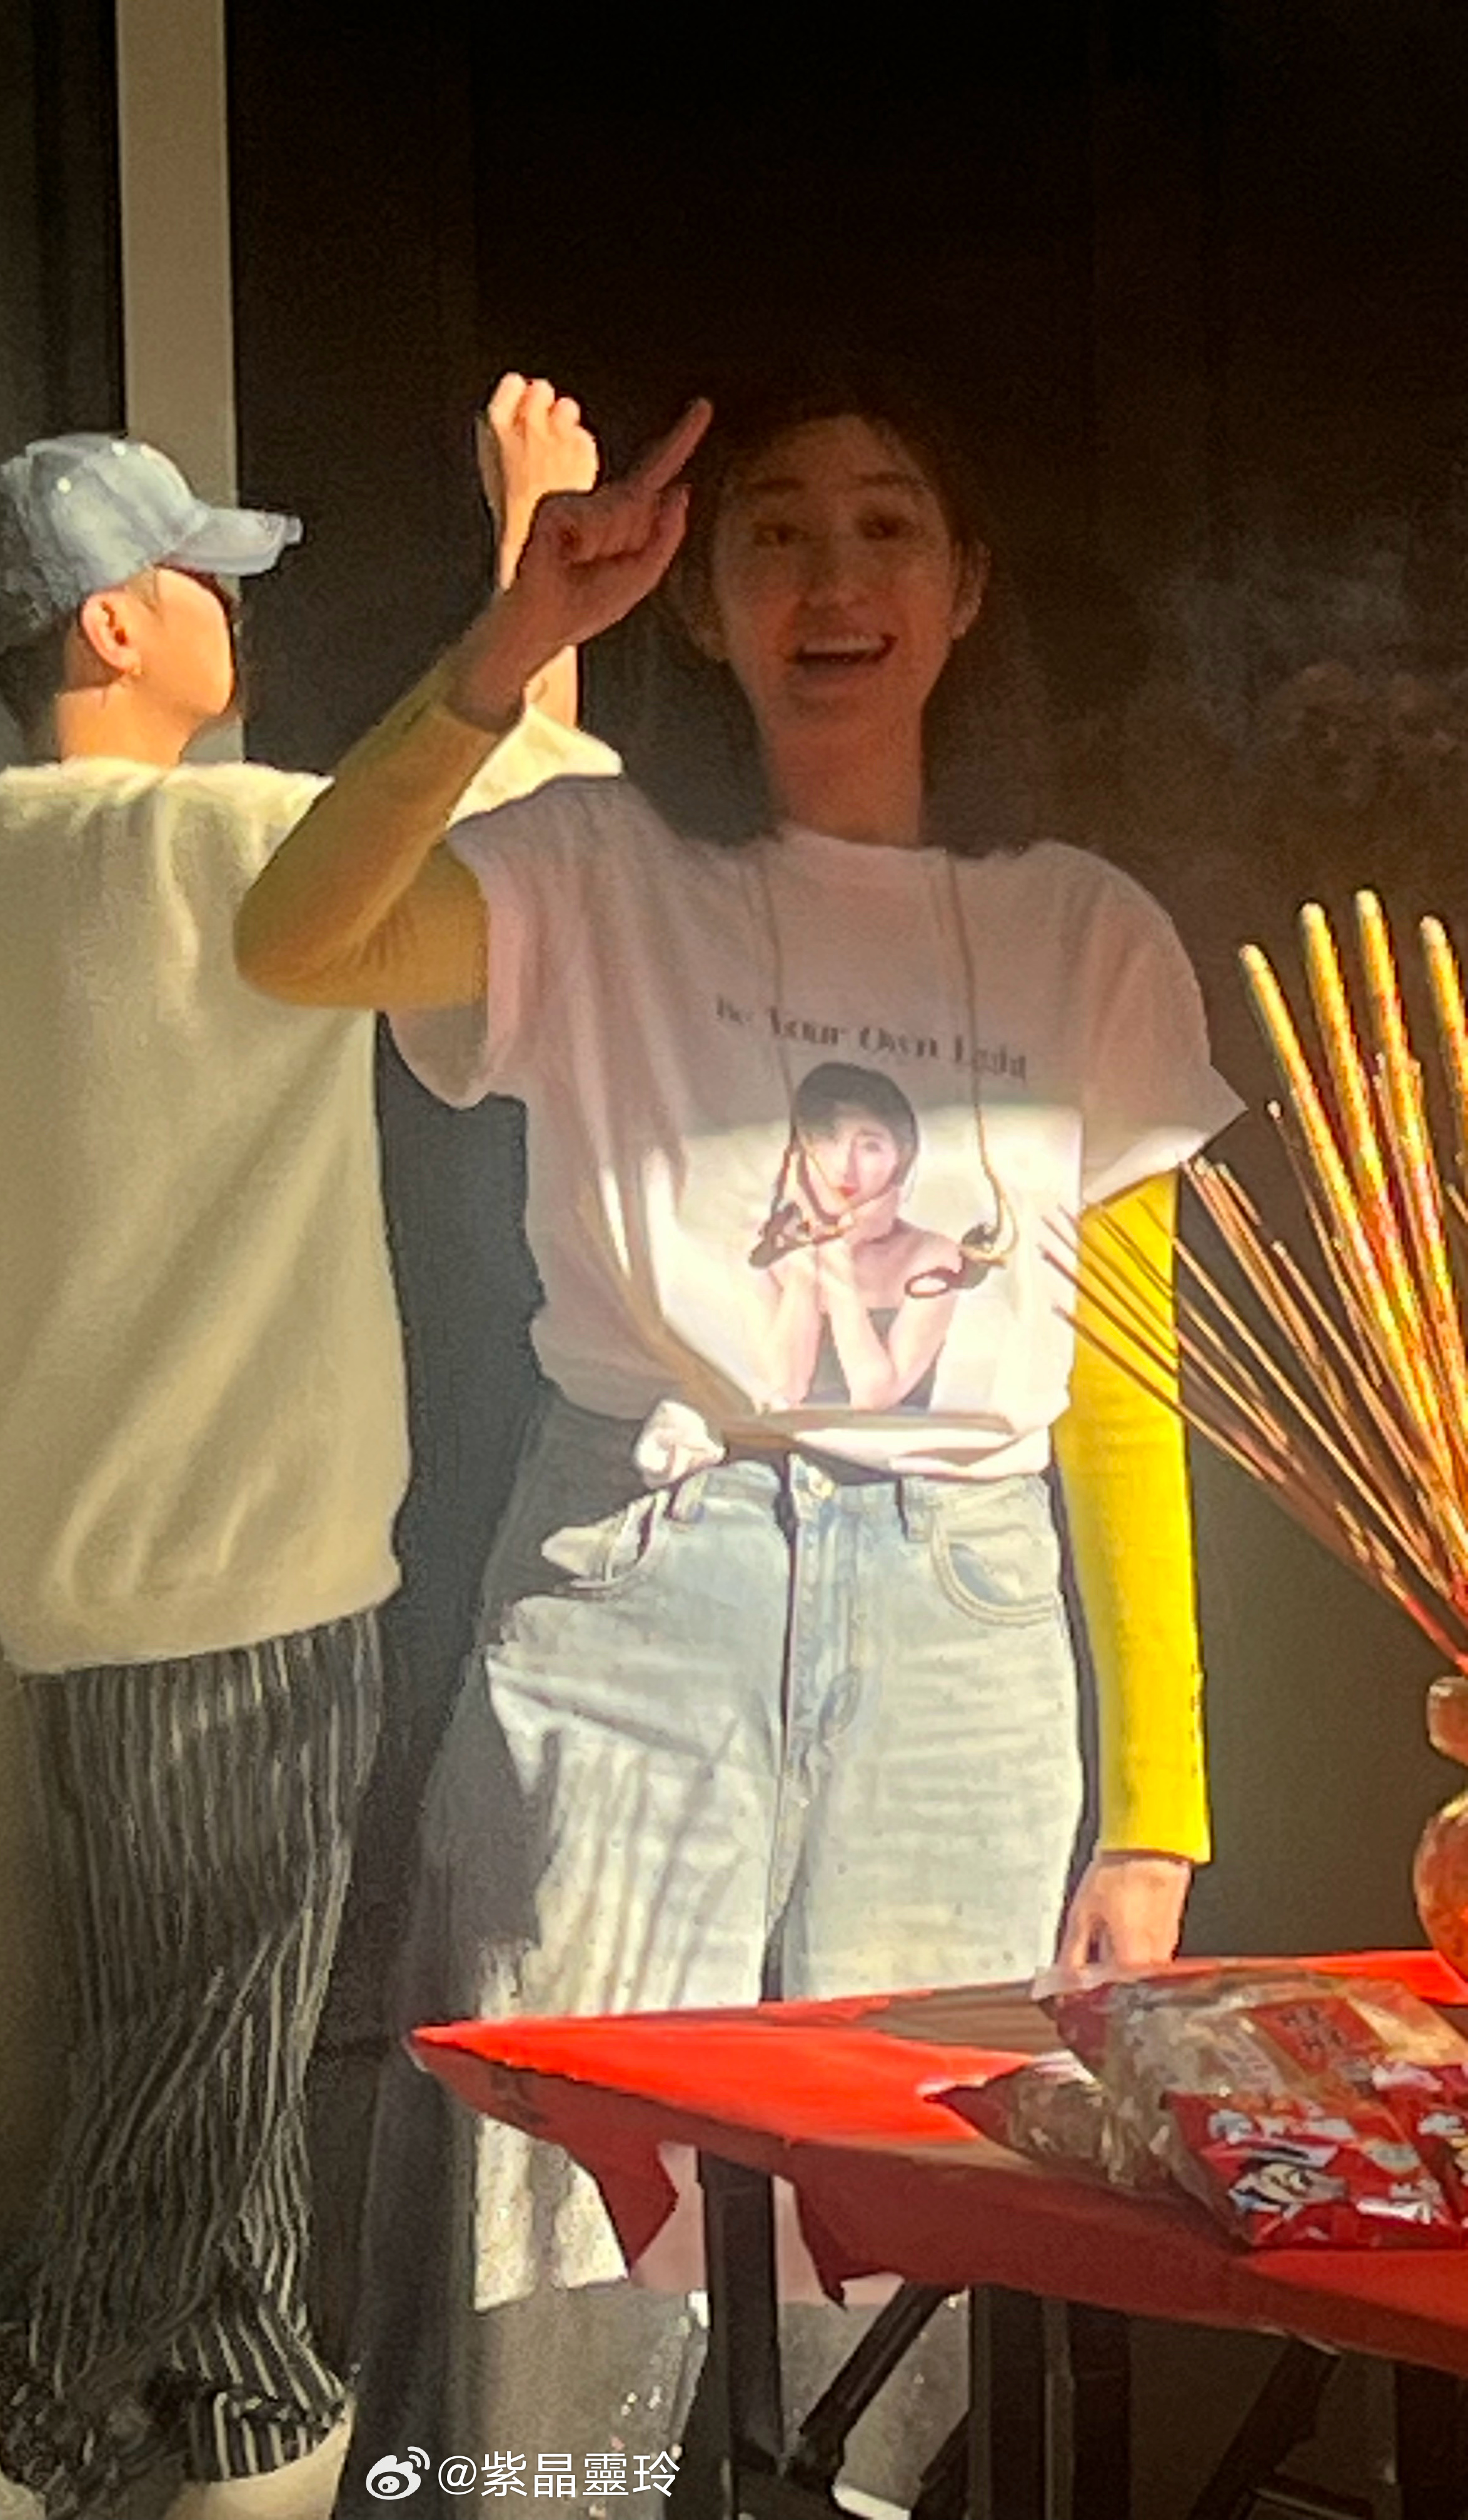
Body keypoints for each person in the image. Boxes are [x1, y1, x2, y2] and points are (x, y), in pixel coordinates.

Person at [233, 369, 1240, 2506]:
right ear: (700, 600)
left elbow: (1126, 1374)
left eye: (888, 526)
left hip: (965, 1632)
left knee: (909, 2254)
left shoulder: (1084, 930)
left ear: (966, 586)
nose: (833, 578)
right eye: (777, 529)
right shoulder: (589, 863)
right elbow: (293, 939)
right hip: (636, 1589)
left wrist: (1153, 1798)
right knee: (546, 2240)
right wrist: (510, 644)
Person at [0, 381, 613, 2520]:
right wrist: (533, 557)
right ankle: (3, 2441)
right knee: (200, 2064)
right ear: (108, 624)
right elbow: (551, 843)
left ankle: (257, 2433)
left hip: (59, 1588)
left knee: (200, 2065)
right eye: (202, 583)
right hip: (254, 1573)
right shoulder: (238, 838)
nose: (232, 617)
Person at [752, 1058, 964, 1410]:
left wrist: (836, 1253)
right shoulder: (768, 1251)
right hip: (788, 1443)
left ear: (901, 1160)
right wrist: (809, 1255)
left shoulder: (934, 1257)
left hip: (898, 1443)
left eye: (870, 1146)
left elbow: (875, 1397)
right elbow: (786, 1387)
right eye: (828, 1139)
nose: (844, 1166)